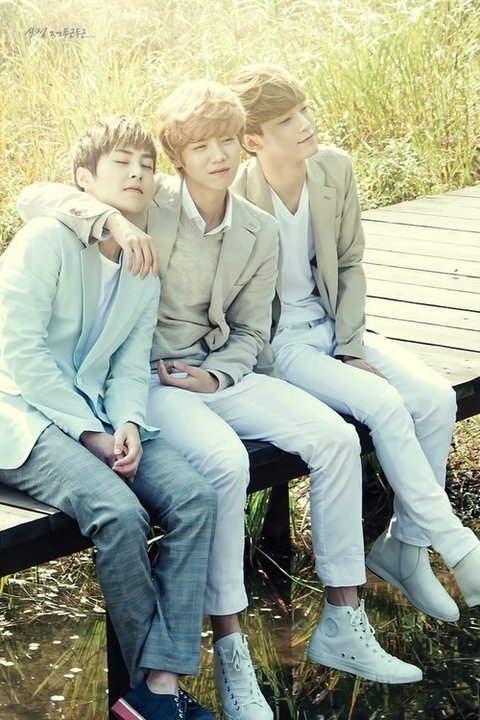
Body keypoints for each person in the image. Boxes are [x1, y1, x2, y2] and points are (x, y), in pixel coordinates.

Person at [17, 81, 423, 716]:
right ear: (179, 157)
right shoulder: (143, 205)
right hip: (139, 385)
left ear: (244, 144)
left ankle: (343, 619)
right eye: (201, 145)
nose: (219, 155)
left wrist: (216, 377)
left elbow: (253, 330)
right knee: (221, 468)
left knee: (336, 438)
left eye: (228, 141)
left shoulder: (254, 229)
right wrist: (113, 218)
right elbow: (39, 198)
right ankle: (230, 657)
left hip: (209, 377)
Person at [230, 63, 480, 624]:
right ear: (252, 139)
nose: (305, 124)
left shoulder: (333, 168)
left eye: (304, 110)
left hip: (333, 325)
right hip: (283, 345)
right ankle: (458, 544)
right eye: (286, 120)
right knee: (383, 404)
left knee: (435, 398)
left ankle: (406, 548)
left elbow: (348, 264)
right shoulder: (235, 194)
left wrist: (349, 346)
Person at [0, 116, 218, 720]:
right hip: (19, 414)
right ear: (84, 180)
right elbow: (20, 353)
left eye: (147, 165)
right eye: (122, 163)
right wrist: (90, 433)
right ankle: (157, 698)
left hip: (97, 414)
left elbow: (127, 366)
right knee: (120, 513)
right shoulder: (45, 239)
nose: (138, 173)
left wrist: (126, 423)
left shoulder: (141, 262)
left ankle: (158, 687)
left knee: (195, 498)